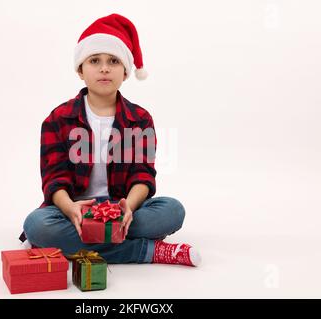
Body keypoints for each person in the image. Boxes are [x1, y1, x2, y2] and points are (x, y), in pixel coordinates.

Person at [20, 13, 200, 266]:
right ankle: (148, 251)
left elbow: (142, 173)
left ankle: (73, 242)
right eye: (95, 60)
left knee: (172, 211)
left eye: (113, 61)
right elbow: (53, 177)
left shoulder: (139, 119)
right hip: (75, 209)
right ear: (81, 70)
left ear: (125, 72)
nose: (104, 68)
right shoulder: (58, 119)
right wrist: (70, 208)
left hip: (122, 206)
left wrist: (129, 207)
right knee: (37, 226)